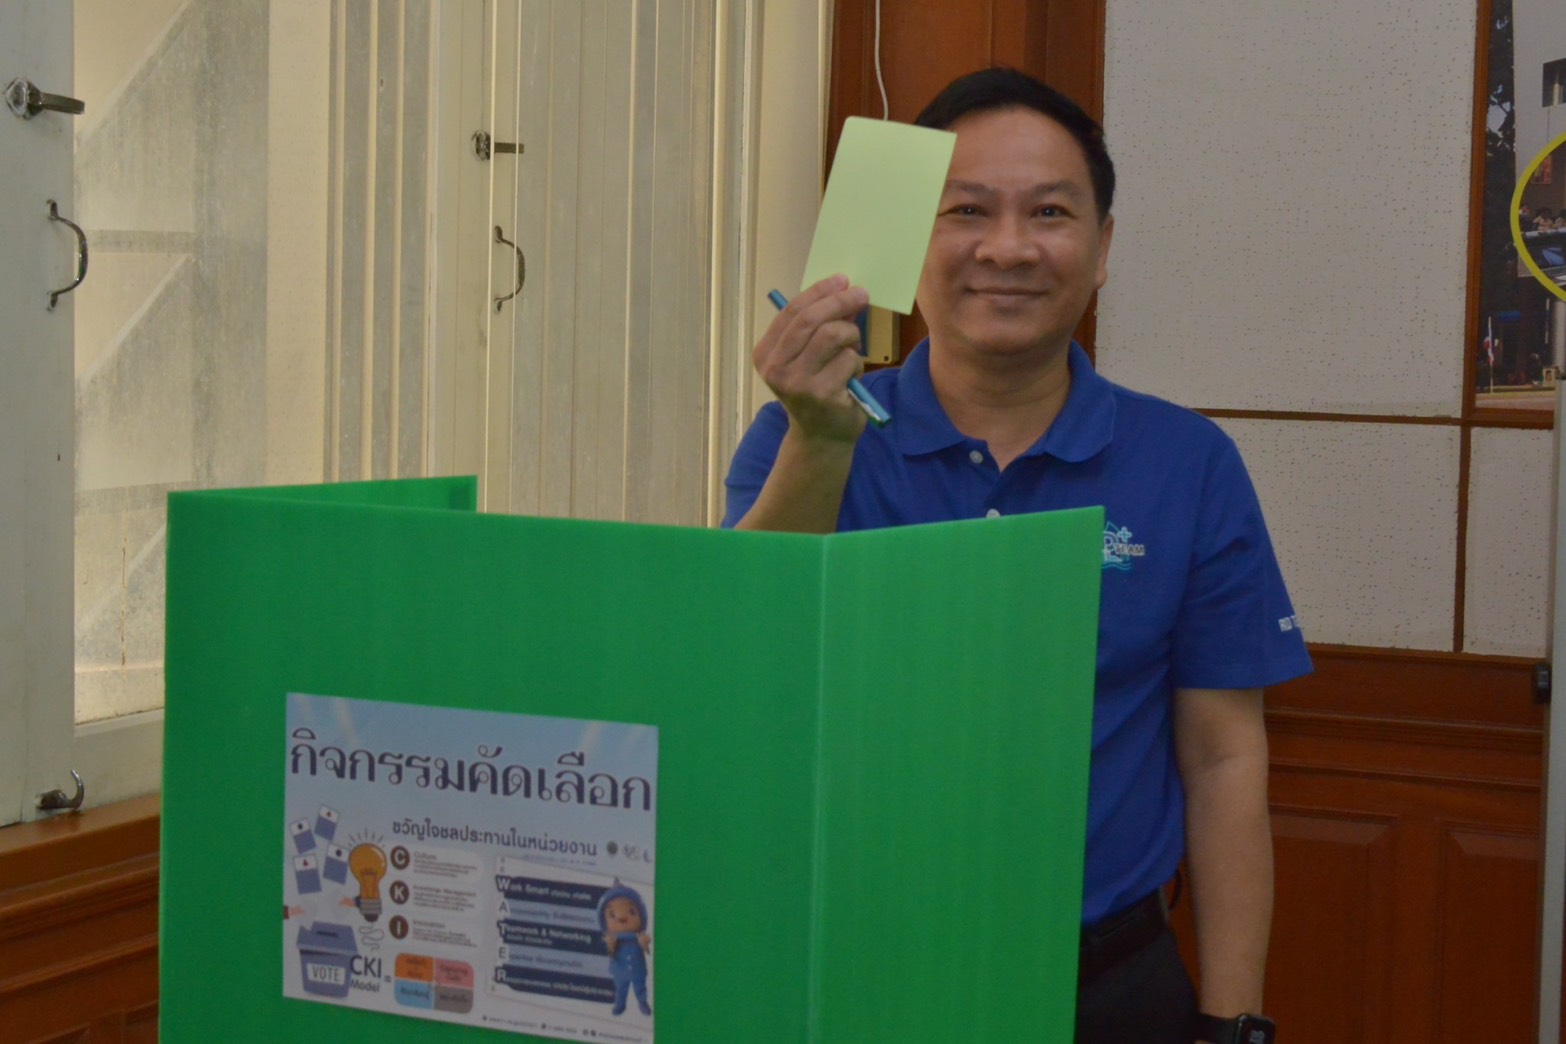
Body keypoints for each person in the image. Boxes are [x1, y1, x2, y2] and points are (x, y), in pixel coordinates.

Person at [722, 68, 1311, 1044]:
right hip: (847, 963)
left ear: (1103, 248)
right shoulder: (801, 434)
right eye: (966, 211)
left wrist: (1233, 1022)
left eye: (1049, 212)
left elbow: (1223, 756)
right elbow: (743, 667)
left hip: (1107, 980)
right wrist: (820, 442)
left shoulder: (1188, 462)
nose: (1007, 248)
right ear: (911, 239)